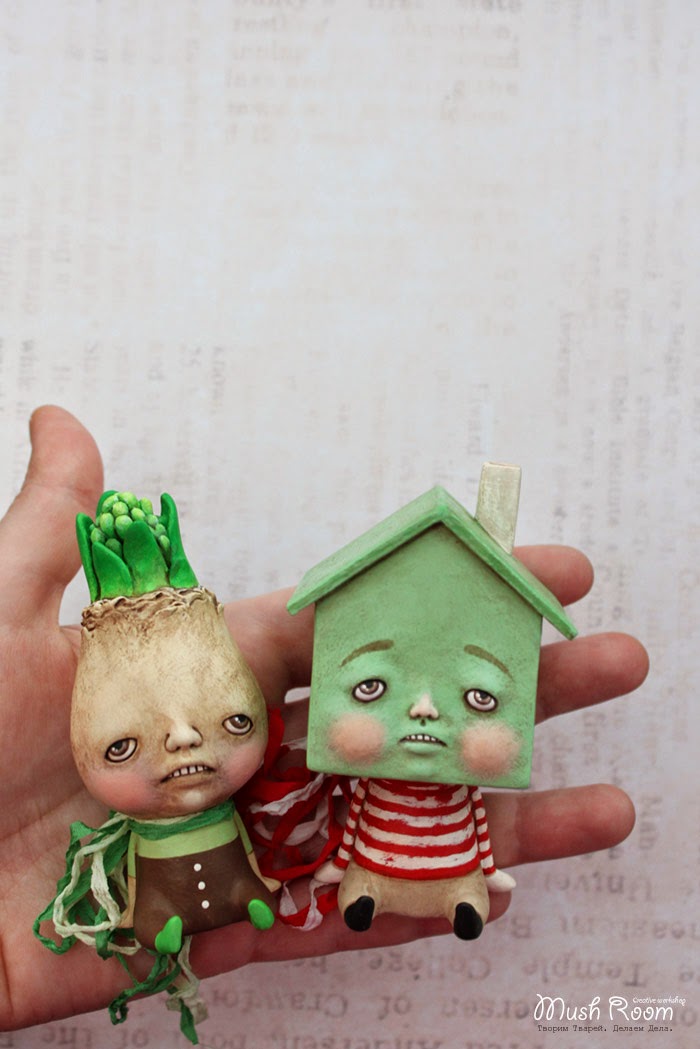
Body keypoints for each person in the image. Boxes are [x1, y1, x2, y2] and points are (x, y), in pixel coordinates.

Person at [0, 406, 649, 1033]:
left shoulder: (414, 779)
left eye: (231, 723)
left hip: (429, 866)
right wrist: (336, 867)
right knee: (198, 895)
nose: (184, 741)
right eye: (120, 747)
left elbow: (457, 825)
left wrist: (465, 864)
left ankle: (437, 895)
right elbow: (353, 820)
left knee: (291, 881)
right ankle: (263, 901)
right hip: (213, 871)